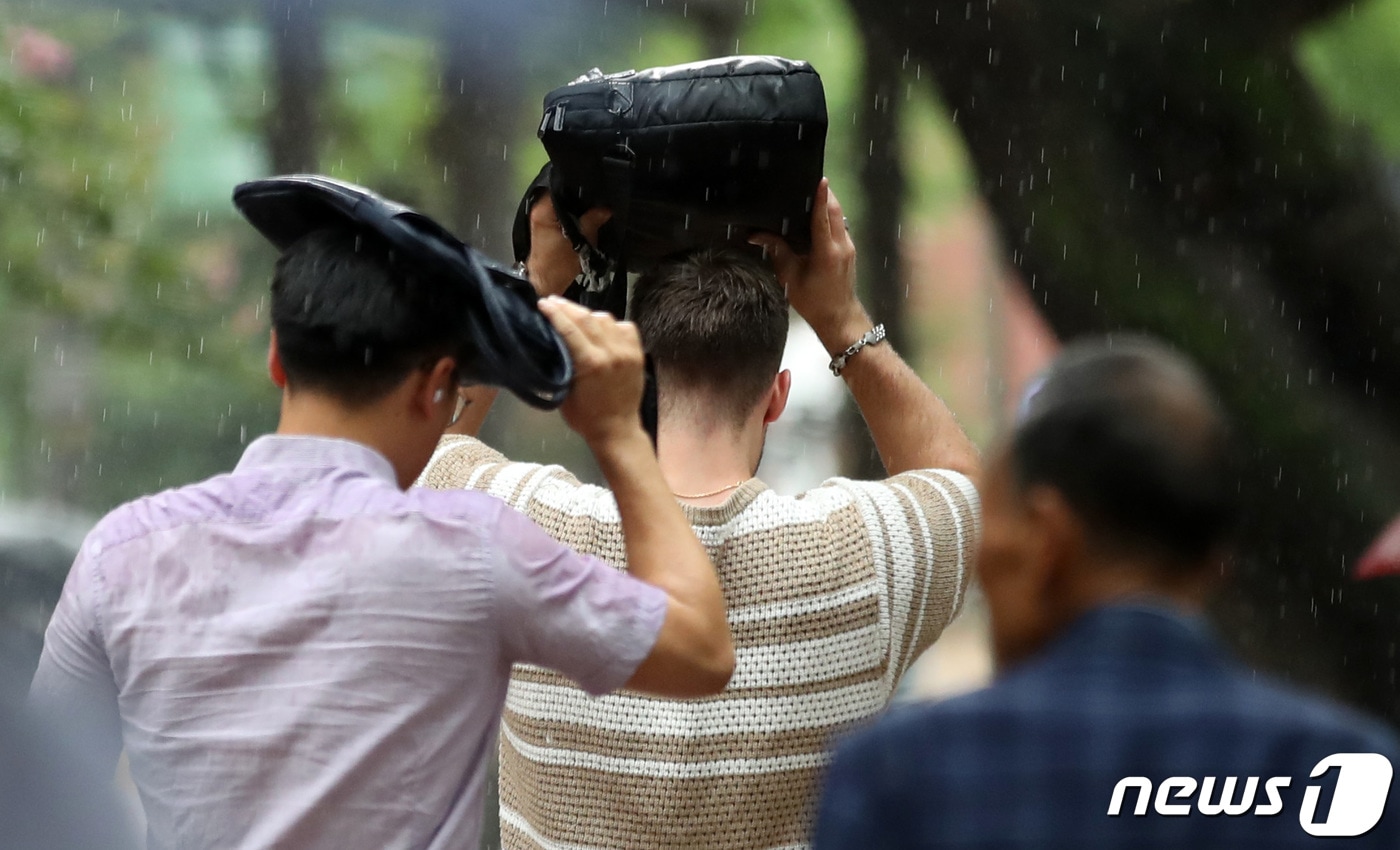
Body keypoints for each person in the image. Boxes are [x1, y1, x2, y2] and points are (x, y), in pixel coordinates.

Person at [28, 215, 735, 850]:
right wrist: (617, 431)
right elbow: (701, 651)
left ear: (278, 355)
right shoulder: (474, 551)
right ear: (435, 388)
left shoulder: (121, 551)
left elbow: (38, 804)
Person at [417, 178, 981, 849]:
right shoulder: (863, 556)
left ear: (637, 376)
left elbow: (421, 450)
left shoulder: (522, 534)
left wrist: (536, 282)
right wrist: (842, 321)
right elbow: (967, 491)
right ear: (776, 398)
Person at [816, 338, 1400, 849]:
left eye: (992, 548)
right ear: (1215, 564)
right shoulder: (1350, 775)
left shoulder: (905, 776)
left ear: (1049, 540)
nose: (985, 580)